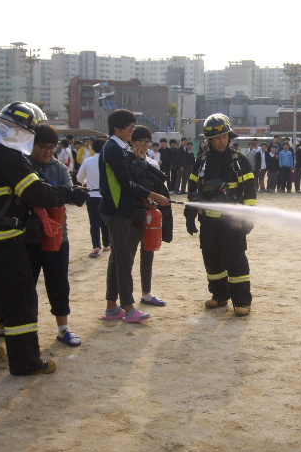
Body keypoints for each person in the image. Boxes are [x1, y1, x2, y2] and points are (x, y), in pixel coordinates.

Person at [0, 101, 89, 375]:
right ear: (23, 131)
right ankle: (26, 362)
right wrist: (71, 193)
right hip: (5, 240)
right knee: (21, 300)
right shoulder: (8, 157)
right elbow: (36, 193)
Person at [99, 109, 170, 323]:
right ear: (117, 128)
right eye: (129, 127)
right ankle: (129, 308)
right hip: (116, 211)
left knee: (117, 258)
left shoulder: (121, 148)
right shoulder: (112, 148)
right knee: (123, 259)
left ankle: (112, 307)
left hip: (123, 209)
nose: (132, 131)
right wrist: (152, 195)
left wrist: (144, 199)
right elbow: (126, 182)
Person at [184, 113, 257, 317]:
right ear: (209, 140)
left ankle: (242, 302)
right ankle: (219, 295)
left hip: (232, 223)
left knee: (236, 261)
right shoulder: (202, 162)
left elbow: (250, 192)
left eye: (224, 136)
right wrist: (190, 214)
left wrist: (248, 218)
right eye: (217, 138)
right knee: (212, 260)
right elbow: (192, 188)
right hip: (208, 222)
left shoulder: (239, 161)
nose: (222, 141)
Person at [26, 124, 82, 347]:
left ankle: (63, 328)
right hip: (27, 237)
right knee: (24, 284)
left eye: (52, 147)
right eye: (43, 146)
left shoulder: (59, 168)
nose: (48, 151)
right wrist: (55, 194)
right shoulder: (22, 165)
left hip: (57, 235)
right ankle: (8, 326)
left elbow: (68, 193)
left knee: (58, 282)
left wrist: (52, 194)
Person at [128, 126, 173, 307]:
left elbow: (158, 187)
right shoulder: (126, 162)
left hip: (150, 216)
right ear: (133, 142)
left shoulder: (152, 164)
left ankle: (146, 293)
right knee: (128, 256)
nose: (146, 146)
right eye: (142, 142)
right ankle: (125, 298)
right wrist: (138, 161)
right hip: (133, 216)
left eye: (148, 142)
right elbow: (133, 184)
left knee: (148, 253)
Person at [77, 138, 110, 257]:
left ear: (92, 148)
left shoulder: (88, 161)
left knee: (94, 222)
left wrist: (87, 181)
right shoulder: (108, 161)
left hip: (92, 195)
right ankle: (107, 244)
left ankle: (96, 246)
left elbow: (79, 178)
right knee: (105, 221)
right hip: (105, 195)